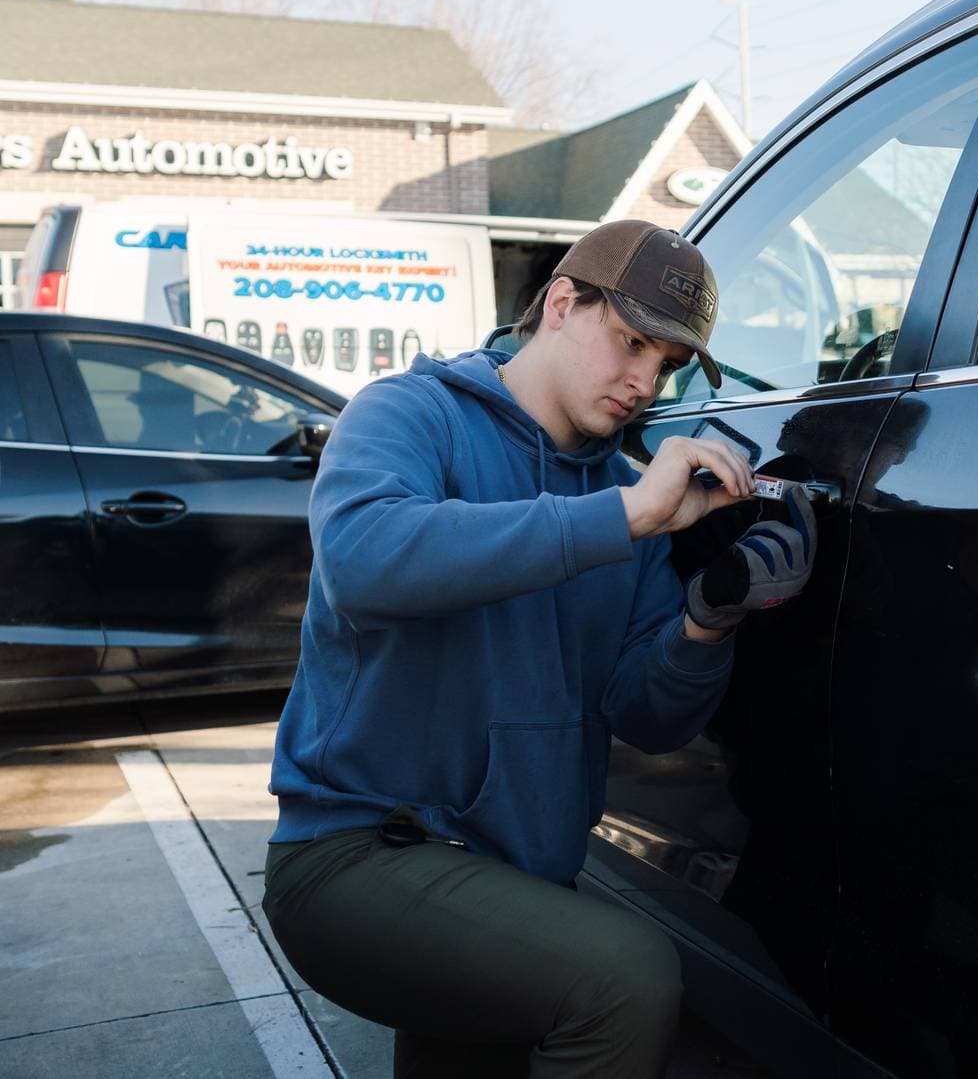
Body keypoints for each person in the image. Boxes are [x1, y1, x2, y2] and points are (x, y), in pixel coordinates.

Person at [261, 220, 817, 1079]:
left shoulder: (629, 499)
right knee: (622, 978)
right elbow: (365, 558)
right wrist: (625, 518)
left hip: (510, 876)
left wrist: (706, 622)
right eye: (632, 341)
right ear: (562, 302)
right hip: (362, 854)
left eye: (666, 365)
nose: (643, 382)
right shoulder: (410, 413)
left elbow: (645, 714)